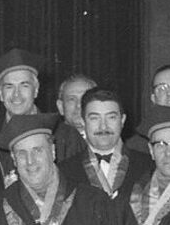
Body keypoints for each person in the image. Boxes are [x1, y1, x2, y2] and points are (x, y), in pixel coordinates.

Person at [60, 87, 149, 216]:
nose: (103, 126)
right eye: (94, 118)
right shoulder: (64, 172)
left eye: (111, 117)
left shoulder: (148, 167)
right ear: (83, 122)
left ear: (122, 120)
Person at [0, 48, 45, 189]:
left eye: (24, 85)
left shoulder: (65, 137)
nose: (17, 95)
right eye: (9, 86)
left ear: (36, 90)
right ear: (0, 93)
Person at [54, 73, 95, 163]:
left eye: (85, 98)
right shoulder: (52, 144)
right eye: (72, 99)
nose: (79, 105)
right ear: (61, 107)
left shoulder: (111, 140)